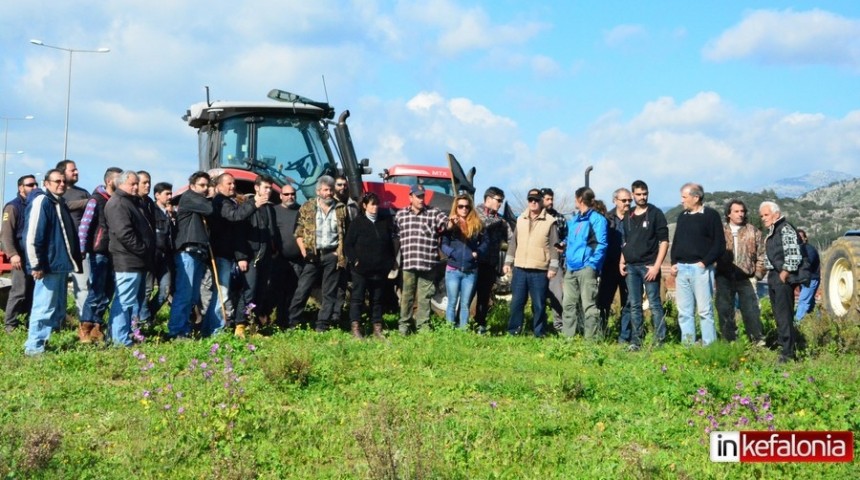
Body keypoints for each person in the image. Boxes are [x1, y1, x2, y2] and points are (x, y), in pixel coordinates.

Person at [23, 169, 83, 356]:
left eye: (64, 181)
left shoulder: (58, 202)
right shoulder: (43, 201)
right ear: (46, 183)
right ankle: (34, 347)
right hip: (47, 265)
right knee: (43, 306)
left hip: (58, 264)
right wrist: (36, 264)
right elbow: (32, 235)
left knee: (53, 308)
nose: (61, 184)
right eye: (57, 181)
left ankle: (42, 343)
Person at [209, 173, 267, 337]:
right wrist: (253, 204)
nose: (232, 186)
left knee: (231, 291)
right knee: (222, 293)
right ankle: (215, 331)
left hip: (230, 254)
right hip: (222, 254)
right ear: (219, 186)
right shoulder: (221, 202)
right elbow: (235, 217)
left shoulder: (230, 201)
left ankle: (220, 327)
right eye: (228, 184)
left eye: (234, 183)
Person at [289, 175, 349, 332]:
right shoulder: (307, 207)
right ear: (318, 191)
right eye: (325, 190)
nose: (328, 193)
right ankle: (293, 323)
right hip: (312, 255)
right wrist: (304, 251)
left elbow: (346, 232)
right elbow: (298, 232)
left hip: (331, 254)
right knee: (302, 289)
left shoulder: (341, 208)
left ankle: (322, 325)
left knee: (329, 293)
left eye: (330, 190)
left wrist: (338, 253)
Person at [670, 183, 725, 346]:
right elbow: (677, 241)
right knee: (684, 311)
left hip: (699, 269)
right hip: (682, 268)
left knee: (704, 311)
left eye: (684, 197)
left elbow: (719, 244)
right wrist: (674, 262)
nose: (681, 201)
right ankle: (688, 345)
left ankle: (709, 346)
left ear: (696, 197)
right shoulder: (682, 217)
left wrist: (705, 262)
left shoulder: (711, 215)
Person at [104, 171, 156, 346]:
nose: (136, 187)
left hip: (136, 260)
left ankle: (121, 334)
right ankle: (120, 339)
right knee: (124, 301)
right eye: (132, 184)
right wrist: (142, 249)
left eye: (136, 184)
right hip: (127, 260)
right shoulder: (118, 203)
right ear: (121, 184)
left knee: (129, 300)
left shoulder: (131, 202)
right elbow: (124, 233)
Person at [620, 180, 668, 351]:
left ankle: (660, 340)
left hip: (648, 266)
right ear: (633, 195)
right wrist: (621, 261)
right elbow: (625, 242)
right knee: (634, 304)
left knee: (654, 303)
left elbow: (664, 242)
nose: (642, 197)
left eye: (645, 193)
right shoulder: (628, 215)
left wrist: (656, 266)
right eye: (639, 194)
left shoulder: (656, 213)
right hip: (631, 267)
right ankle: (636, 341)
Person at [505, 188, 559, 337]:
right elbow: (513, 243)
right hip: (520, 268)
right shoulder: (520, 219)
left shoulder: (550, 221)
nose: (533, 202)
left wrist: (553, 267)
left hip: (539, 269)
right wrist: (507, 262)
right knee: (517, 303)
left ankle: (539, 333)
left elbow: (555, 246)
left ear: (541, 201)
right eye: (530, 200)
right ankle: (513, 331)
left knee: (539, 304)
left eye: (536, 200)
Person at [394, 184, 448, 334]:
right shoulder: (401, 215)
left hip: (427, 263)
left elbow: (446, 223)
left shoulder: (433, 213)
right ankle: (404, 325)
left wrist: (454, 221)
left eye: (422, 196)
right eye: (418, 196)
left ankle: (423, 326)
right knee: (407, 296)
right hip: (409, 263)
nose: (421, 199)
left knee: (425, 296)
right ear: (410, 197)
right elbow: (395, 236)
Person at [77, 167, 123, 343]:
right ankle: (85, 327)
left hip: (114, 251)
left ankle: (97, 325)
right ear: (110, 181)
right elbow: (85, 225)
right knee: (96, 289)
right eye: (119, 179)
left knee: (108, 290)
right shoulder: (96, 200)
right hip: (99, 250)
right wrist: (81, 249)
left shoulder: (118, 201)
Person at [167, 172, 213, 339]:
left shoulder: (198, 200)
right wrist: (212, 196)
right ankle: (176, 330)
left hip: (198, 252)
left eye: (207, 185)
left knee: (193, 296)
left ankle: (184, 328)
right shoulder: (189, 197)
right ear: (193, 186)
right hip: (187, 252)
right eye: (202, 185)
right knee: (184, 294)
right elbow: (210, 209)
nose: (206, 189)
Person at [344, 192, 396, 338]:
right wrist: (355, 260)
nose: (375, 207)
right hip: (361, 270)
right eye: (372, 204)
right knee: (358, 298)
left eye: (376, 204)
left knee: (377, 299)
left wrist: (390, 262)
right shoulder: (357, 223)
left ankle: (377, 328)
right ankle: (355, 328)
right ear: (365, 205)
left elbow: (389, 244)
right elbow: (348, 245)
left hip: (379, 269)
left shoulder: (384, 222)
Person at [715, 199, 765, 344]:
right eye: (736, 211)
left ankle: (756, 342)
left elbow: (762, 254)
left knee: (752, 311)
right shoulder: (720, 232)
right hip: (724, 277)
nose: (740, 214)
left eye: (742, 211)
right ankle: (729, 341)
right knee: (724, 310)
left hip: (746, 277)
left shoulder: (753, 231)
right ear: (728, 214)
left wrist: (758, 274)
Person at [561, 187, 608, 340]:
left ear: (580, 199)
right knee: (568, 304)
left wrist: (592, 265)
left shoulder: (597, 219)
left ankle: (591, 341)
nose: (574, 201)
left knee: (589, 306)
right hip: (571, 267)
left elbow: (601, 244)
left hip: (587, 267)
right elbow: (571, 240)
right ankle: (567, 339)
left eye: (575, 198)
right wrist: (563, 244)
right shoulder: (574, 219)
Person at [233, 175, 278, 336]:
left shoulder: (270, 208)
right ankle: (240, 325)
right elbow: (239, 233)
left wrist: (275, 250)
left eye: (270, 188)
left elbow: (272, 232)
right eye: (265, 187)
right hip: (250, 256)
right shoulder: (246, 206)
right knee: (249, 291)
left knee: (260, 291)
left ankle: (253, 326)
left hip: (266, 256)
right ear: (256, 188)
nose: (268, 191)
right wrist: (241, 257)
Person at [760, 201, 802, 363]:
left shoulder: (785, 228)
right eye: (762, 215)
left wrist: (784, 274)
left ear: (776, 214)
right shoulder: (774, 230)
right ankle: (784, 348)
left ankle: (788, 354)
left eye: (766, 215)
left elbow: (794, 253)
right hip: (774, 275)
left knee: (784, 316)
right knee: (779, 315)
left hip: (781, 276)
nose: (763, 218)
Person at [441, 194, 486, 329]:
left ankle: (463, 331)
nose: (464, 209)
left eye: (467, 206)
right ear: (456, 207)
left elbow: (485, 242)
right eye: (461, 206)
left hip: (470, 271)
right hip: (453, 269)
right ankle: (450, 330)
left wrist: (477, 253)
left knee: (465, 303)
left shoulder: (477, 224)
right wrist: (452, 253)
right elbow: (443, 244)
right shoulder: (450, 224)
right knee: (452, 302)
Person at [1, 175, 38, 332]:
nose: (34, 187)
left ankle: (29, 322)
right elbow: (6, 234)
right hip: (20, 256)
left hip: (33, 256)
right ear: (20, 188)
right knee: (19, 291)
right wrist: (12, 254)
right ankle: (10, 324)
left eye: (36, 184)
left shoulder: (35, 204)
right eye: (30, 185)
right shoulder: (13, 207)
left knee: (32, 292)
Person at [473, 187, 511, 334]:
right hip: (473, 263)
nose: (500, 204)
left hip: (489, 264)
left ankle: (480, 324)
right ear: (488, 199)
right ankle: (457, 325)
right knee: (466, 296)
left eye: (502, 201)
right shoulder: (473, 214)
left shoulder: (501, 221)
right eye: (498, 200)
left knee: (484, 296)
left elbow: (511, 238)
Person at [56, 160, 90, 319]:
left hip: (80, 249)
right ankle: (59, 320)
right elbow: (63, 205)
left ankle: (84, 320)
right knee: (58, 287)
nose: (76, 172)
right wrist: (86, 203)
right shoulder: (56, 195)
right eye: (73, 170)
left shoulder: (83, 192)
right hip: (60, 249)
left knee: (83, 287)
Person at [598, 188, 632, 343]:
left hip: (628, 267)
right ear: (615, 200)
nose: (627, 203)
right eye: (624, 200)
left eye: (629, 200)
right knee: (604, 301)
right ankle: (601, 333)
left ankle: (624, 337)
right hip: (609, 266)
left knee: (628, 303)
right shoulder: (606, 219)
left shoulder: (634, 218)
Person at [272, 183, 304, 328]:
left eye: (292, 194)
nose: (290, 197)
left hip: (298, 260)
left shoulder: (301, 211)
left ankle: (292, 322)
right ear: (280, 196)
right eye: (286, 194)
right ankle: (280, 321)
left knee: (295, 292)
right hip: (280, 259)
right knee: (279, 292)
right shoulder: (274, 211)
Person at [148, 182, 176, 320]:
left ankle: (148, 314)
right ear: (157, 195)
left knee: (165, 290)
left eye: (171, 193)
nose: (170, 196)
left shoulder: (169, 213)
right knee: (147, 290)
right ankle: (141, 320)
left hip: (166, 257)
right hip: (153, 255)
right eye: (167, 194)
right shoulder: (151, 211)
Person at [541, 188, 567, 332]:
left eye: (552, 199)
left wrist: (563, 245)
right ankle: (540, 325)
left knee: (558, 295)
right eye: (547, 199)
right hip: (538, 262)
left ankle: (559, 326)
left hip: (556, 263)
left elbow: (567, 237)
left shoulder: (560, 218)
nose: (550, 202)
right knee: (539, 296)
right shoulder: (535, 217)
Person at [794, 229, 821, 322]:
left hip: (811, 279)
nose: (799, 238)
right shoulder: (799, 249)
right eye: (797, 237)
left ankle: (797, 324)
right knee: (810, 302)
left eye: (801, 237)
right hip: (804, 279)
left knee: (803, 301)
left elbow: (807, 263)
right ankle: (819, 321)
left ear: (805, 238)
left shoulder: (809, 249)